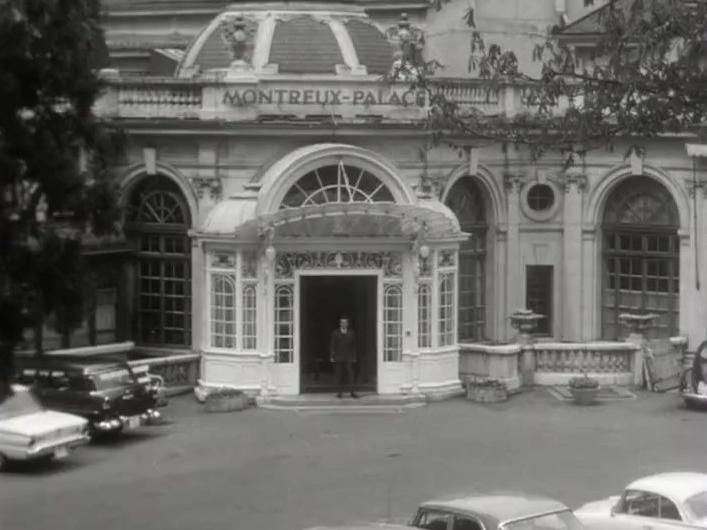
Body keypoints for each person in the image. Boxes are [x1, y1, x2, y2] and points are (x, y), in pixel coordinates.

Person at [329, 316, 358, 398]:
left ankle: (352, 392)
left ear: (348, 324)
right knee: (339, 375)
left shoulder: (352, 333)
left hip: (349, 357)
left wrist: (354, 357)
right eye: (342, 322)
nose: (344, 324)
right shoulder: (335, 333)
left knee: (350, 375)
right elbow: (332, 345)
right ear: (340, 323)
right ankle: (339, 392)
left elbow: (354, 346)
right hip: (338, 357)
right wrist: (331, 356)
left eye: (345, 322)